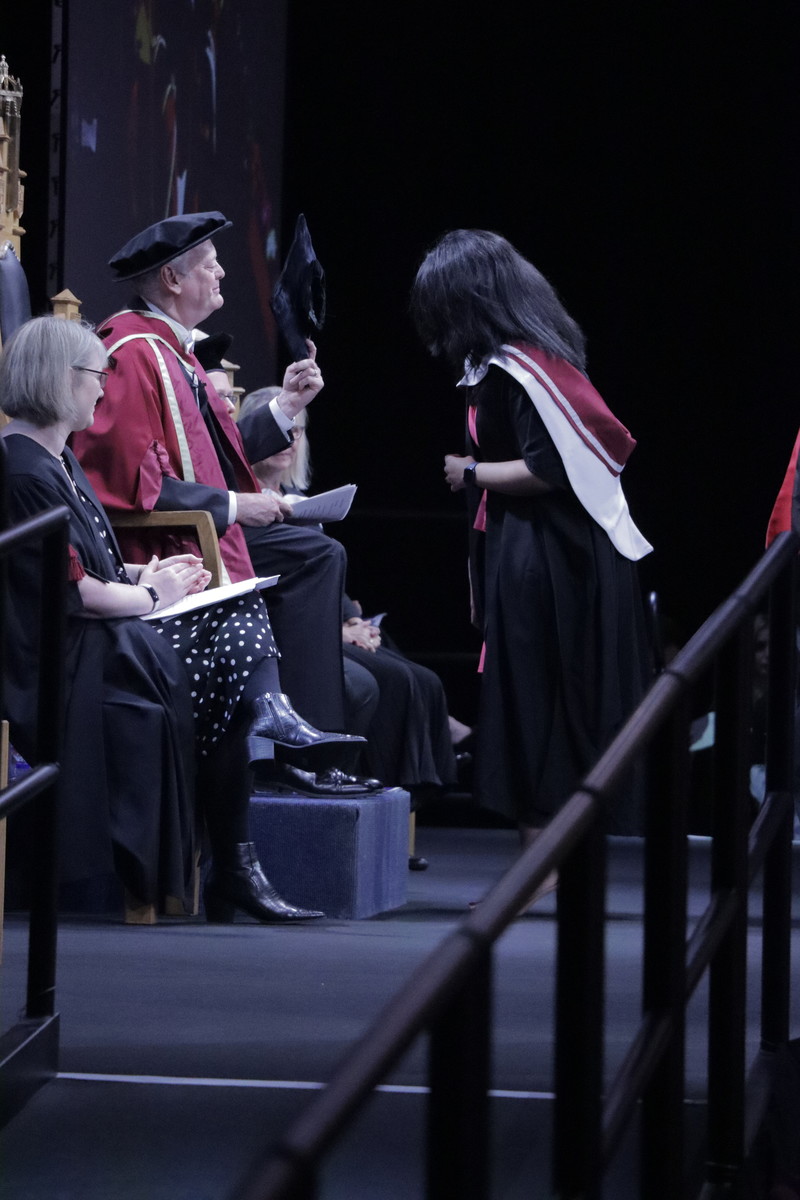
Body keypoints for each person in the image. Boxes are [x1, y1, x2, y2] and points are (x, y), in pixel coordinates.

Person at [0, 316, 365, 922]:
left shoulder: (57, 460)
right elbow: (72, 592)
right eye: (95, 375)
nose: (102, 388)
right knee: (232, 651)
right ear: (58, 378)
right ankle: (238, 854)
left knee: (233, 637)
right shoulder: (22, 470)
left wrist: (145, 572)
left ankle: (240, 850)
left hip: (98, 634)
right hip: (62, 658)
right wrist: (153, 595)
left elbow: (90, 561)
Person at [409, 229, 653, 855]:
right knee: (529, 702)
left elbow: (550, 469)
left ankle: (547, 860)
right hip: (526, 548)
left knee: (544, 703)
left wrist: (470, 471)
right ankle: (542, 859)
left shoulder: (527, 368)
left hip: (558, 559)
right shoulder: (502, 365)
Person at [69, 211, 349, 750]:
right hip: (164, 542)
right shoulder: (132, 351)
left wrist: (287, 406)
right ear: (171, 279)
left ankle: (293, 731)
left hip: (204, 528)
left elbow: (211, 454)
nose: (222, 273)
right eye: (210, 265)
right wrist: (237, 507)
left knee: (316, 550)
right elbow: (125, 482)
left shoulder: (175, 351)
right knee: (313, 557)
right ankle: (293, 750)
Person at [239, 388, 460, 802]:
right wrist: (338, 629)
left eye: (297, 432)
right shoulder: (244, 506)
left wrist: (351, 619)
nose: (289, 441)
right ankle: (358, 780)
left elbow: (324, 580)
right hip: (282, 625)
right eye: (280, 430)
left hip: (322, 618)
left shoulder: (298, 501)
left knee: (418, 676)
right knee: (386, 681)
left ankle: (405, 797)